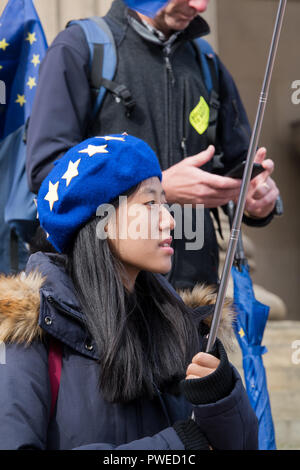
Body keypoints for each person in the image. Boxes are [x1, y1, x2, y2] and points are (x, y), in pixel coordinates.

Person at [0, 134, 258, 450]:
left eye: (166, 203)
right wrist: (174, 447)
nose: (170, 221)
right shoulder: (27, 333)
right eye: (150, 203)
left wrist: (221, 399)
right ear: (102, 220)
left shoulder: (180, 325)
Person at [26, 0, 280, 289]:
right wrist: (162, 189)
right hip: (104, 296)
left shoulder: (206, 61)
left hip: (193, 299)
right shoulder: (78, 47)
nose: (201, 5)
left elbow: (237, 163)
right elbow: (47, 173)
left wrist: (256, 197)